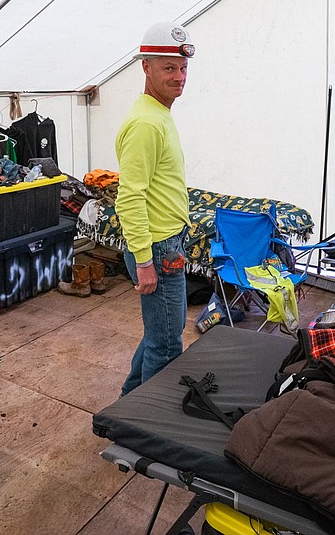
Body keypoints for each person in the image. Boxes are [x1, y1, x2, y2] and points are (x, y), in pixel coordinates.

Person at [115, 21, 195, 396]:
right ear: (145, 67)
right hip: (158, 251)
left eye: (182, 68)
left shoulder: (159, 113)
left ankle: (127, 407)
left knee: (160, 333)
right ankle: (146, 429)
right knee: (165, 346)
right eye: (168, 68)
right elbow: (129, 197)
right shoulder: (147, 123)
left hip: (167, 245)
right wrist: (145, 262)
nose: (179, 77)